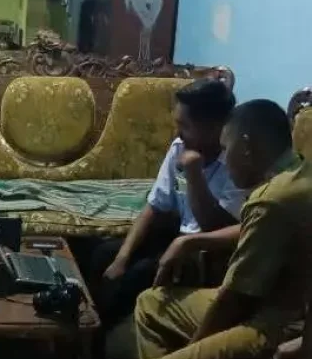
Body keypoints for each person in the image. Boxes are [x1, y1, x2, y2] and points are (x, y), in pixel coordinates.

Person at [128, 99, 312, 359]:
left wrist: (191, 352)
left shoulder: (271, 199)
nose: (224, 158)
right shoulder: (299, 171)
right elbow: (261, 229)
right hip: (275, 304)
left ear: (246, 146)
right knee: (150, 304)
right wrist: (191, 241)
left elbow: (235, 300)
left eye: (226, 149)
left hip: (277, 321)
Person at [88, 79, 244, 333]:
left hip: (206, 253)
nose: (177, 133)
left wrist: (194, 174)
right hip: (175, 237)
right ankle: (88, 329)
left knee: (138, 275)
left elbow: (213, 226)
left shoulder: (238, 163)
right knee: (103, 254)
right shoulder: (180, 146)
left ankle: (98, 338)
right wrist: (121, 258)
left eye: (185, 126)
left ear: (214, 127)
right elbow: (155, 206)